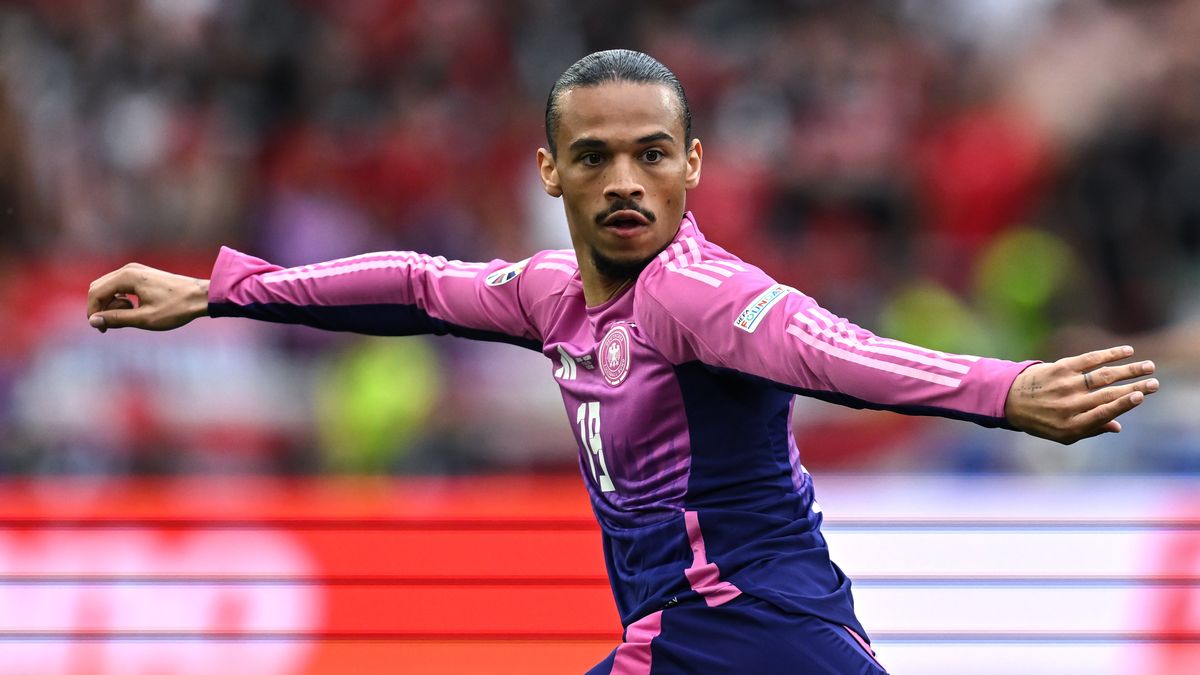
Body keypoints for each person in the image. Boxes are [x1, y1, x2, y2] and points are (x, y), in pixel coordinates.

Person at [86, 50, 1159, 674]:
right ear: (551, 171)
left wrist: (1005, 391)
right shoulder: (554, 298)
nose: (626, 178)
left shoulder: (701, 295)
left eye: (652, 152)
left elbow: (834, 353)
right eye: (594, 156)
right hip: (745, 640)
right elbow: (417, 287)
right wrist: (220, 290)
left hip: (740, 633)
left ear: (693, 164)